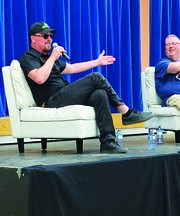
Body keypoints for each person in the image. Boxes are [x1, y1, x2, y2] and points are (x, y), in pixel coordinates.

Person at [18, 22, 153, 154]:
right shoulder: (27, 57)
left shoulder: (48, 58)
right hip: (51, 101)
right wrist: (53, 57)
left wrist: (97, 62)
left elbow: (73, 67)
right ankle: (126, 113)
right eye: (45, 36)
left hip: (64, 95)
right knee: (96, 78)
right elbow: (39, 78)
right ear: (33, 38)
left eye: (51, 36)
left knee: (100, 94)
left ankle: (108, 142)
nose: (50, 39)